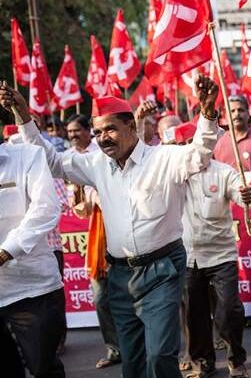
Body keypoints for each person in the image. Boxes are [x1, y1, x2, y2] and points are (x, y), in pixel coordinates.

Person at [2, 75, 221, 378]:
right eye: (98, 132)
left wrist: (207, 113)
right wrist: (24, 116)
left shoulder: (163, 158)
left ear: (131, 126)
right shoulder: (96, 164)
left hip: (162, 271)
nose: (103, 138)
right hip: (119, 276)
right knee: (132, 362)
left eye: (110, 129)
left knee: (159, 356)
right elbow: (50, 161)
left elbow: (200, 154)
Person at [171, 122, 251, 378]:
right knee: (193, 314)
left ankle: (236, 359)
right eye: (183, 144)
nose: (190, 149)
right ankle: (202, 361)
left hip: (221, 255)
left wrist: (248, 196)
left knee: (228, 310)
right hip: (188, 256)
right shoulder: (174, 174)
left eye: (192, 143)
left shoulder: (224, 172)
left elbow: (244, 195)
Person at [0, 137, 65, 377]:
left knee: (44, 369)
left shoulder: (28, 155)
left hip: (31, 289)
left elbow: (45, 209)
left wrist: (6, 252)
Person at [65, 114, 122, 369]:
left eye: (77, 130)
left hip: (124, 234)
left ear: (90, 132)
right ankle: (114, 348)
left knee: (130, 295)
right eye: (69, 132)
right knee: (101, 297)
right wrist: (79, 193)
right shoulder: (71, 162)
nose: (73, 136)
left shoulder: (106, 155)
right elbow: (81, 210)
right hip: (98, 237)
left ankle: (138, 346)